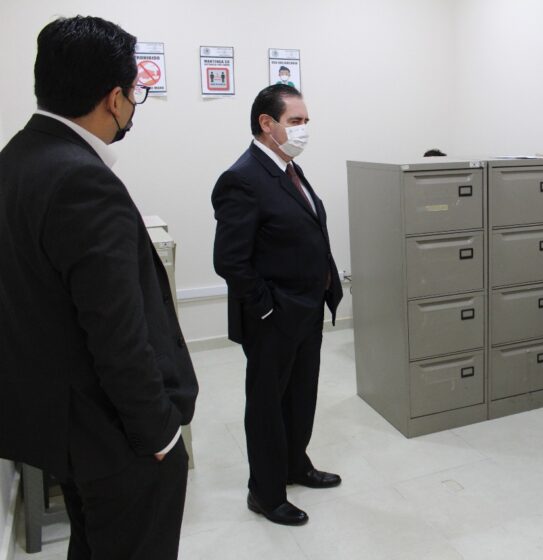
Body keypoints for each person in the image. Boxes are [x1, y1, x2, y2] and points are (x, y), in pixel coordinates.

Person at [0, 16, 198, 559]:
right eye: (135, 93)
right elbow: (117, 332)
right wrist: (159, 434)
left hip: (59, 425)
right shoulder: (81, 178)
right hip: (114, 438)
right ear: (115, 99)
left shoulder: (16, 158)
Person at [212, 84, 343, 526]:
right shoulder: (242, 178)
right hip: (274, 317)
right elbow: (230, 260)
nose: (303, 129)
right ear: (266, 124)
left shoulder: (288, 167)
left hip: (306, 310)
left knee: (300, 395)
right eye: (295, 121)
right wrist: (267, 309)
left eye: (306, 121)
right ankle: (265, 493)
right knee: (267, 405)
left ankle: (294, 465)